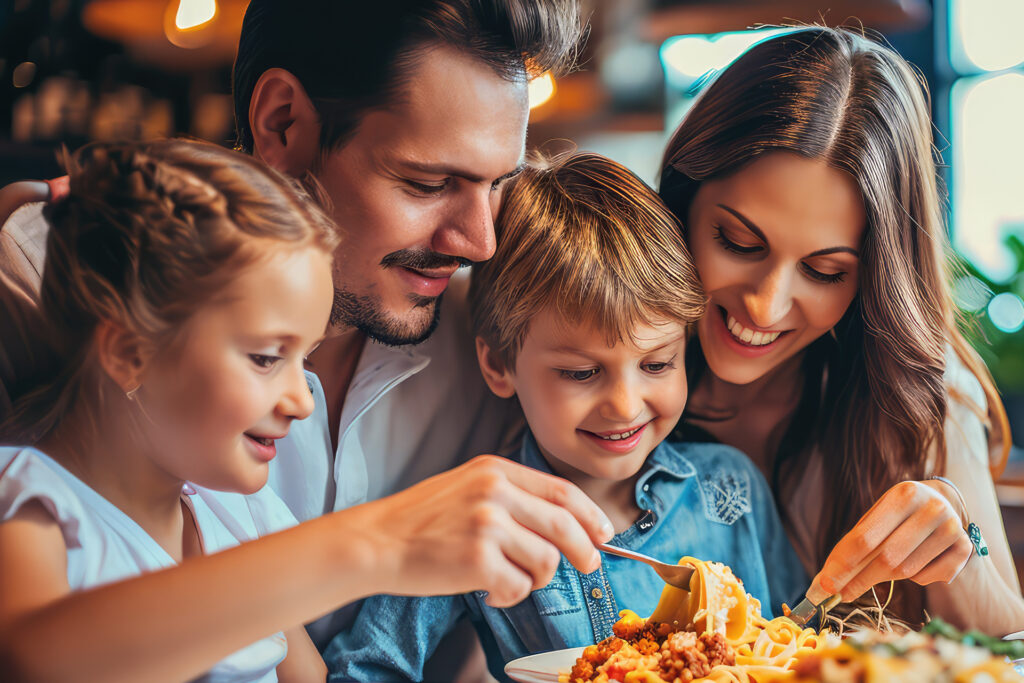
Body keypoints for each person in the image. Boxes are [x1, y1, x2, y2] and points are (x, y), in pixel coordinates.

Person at [0, 0, 595, 659]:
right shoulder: (55, 291)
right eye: (428, 182)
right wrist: (382, 541)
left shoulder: (496, 337)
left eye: (496, 186)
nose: (478, 242)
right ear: (282, 121)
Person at [323, 153, 810, 682]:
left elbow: (806, 640)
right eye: (581, 373)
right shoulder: (483, 523)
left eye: (657, 363)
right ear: (499, 364)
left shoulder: (731, 489)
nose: (625, 405)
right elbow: (364, 668)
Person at [658, 26, 1024, 633]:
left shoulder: (915, 395)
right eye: (739, 242)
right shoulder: (599, 366)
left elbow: (1010, 648)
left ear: (872, 280)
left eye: (825, 271)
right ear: (682, 201)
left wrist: (961, 544)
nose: (767, 307)